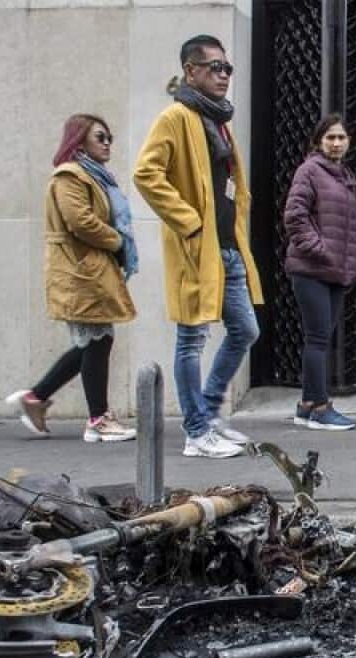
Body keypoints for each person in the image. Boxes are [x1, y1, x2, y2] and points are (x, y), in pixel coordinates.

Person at [135, 34, 263, 459]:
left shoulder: (217, 119)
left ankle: (208, 416)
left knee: (245, 329)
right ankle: (195, 432)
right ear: (191, 71)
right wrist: (188, 222)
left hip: (227, 248)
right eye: (215, 68)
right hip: (198, 247)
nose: (224, 75)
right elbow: (146, 173)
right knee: (191, 338)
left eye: (228, 68)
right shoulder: (176, 117)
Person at [6, 114, 139, 442]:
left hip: (89, 269)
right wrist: (118, 240)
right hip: (79, 270)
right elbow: (80, 221)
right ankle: (97, 420)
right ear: (79, 141)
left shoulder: (94, 176)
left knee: (94, 341)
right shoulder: (70, 176)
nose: (108, 143)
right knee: (96, 340)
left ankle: (36, 397)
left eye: (110, 137)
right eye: (100, 137)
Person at [283, 114, 356, 431]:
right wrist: (321, 250)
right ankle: (320, 407)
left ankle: (306, 404)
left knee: (321, 337)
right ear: (318, 142)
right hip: (312, 269)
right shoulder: (309, 171)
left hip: (334, 272)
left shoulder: (343, 175)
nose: (337, 143)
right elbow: (294, 216)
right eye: (330, 137)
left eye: (341, 137)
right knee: (317, 339)